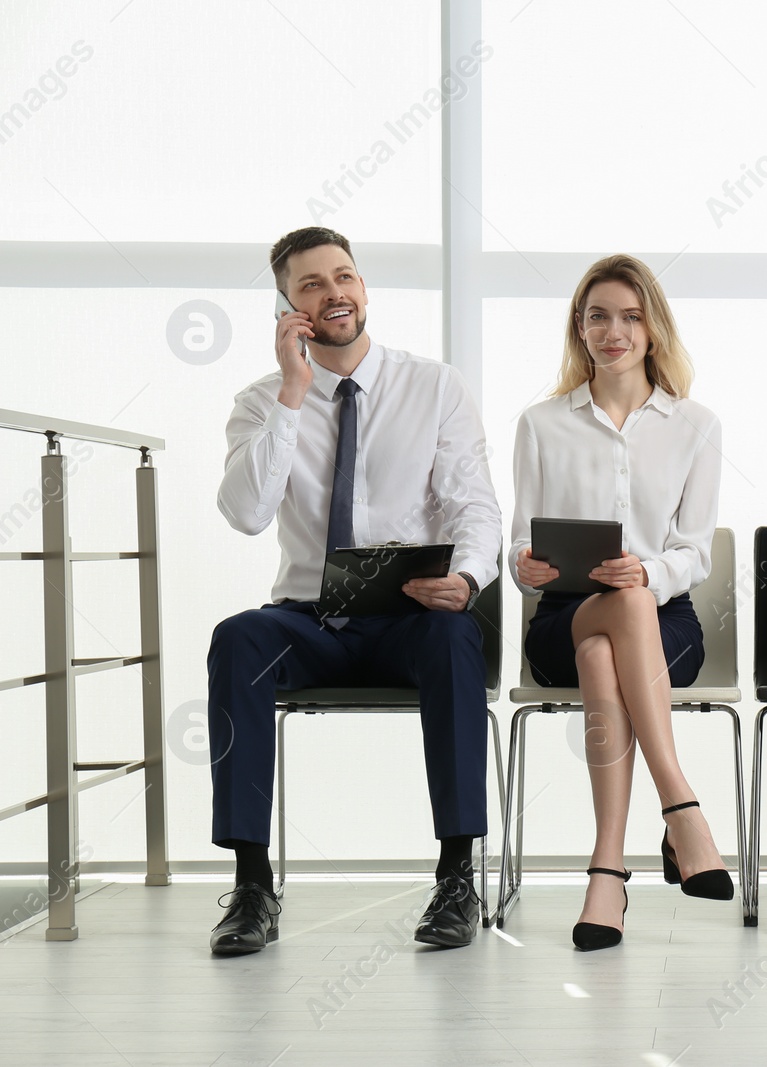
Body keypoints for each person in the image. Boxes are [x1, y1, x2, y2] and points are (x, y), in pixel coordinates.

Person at [209, 226, 501, 955]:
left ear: (363, 288)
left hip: (410, 620)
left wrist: (466, 578)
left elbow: (476, 506)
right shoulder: (261, 403)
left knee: (457, 636)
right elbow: (245, 513)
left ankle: (458, 875)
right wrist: (292, 393)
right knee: (237, 637)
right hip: (308, 621)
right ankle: (251, 885)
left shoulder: (434, 386)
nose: (333, 291)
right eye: (311, 284)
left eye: (344, 276)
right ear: (288, 308)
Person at [509, 254, 732, 952]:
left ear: (653, 329)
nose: (615, 331)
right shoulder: (542, 423)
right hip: (562, 616)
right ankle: (681, 806)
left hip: (666, 622)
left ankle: (607, 868)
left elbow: (696, 550)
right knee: (603, 625)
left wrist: (647, 571)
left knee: (610, 642)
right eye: (599, 316)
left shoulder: (695, 425)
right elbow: (520, 548)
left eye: (631, 317)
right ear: (580, 328)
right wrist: (526, 565)